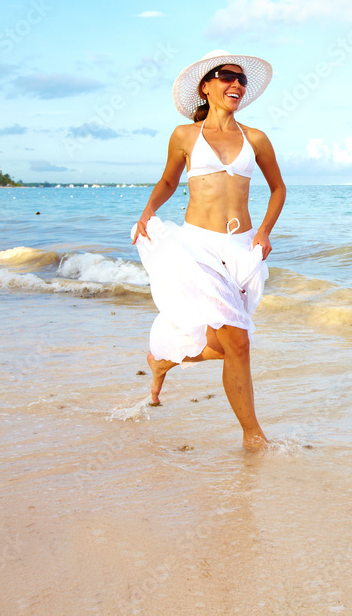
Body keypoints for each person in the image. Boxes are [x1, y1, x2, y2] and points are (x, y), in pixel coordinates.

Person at [131, 50, 285, 452]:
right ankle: (254, 437)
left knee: (228, 343)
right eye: (226, 76)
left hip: (242, 249)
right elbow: (168, 181)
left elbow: (278, 188)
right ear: (206, 86)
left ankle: (162, 359)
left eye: (241, 79)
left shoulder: (256, 139)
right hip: (196, 246)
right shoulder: (185, 136)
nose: (236, 83)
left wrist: (265, 232)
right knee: (240, 342)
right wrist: (148, 211)